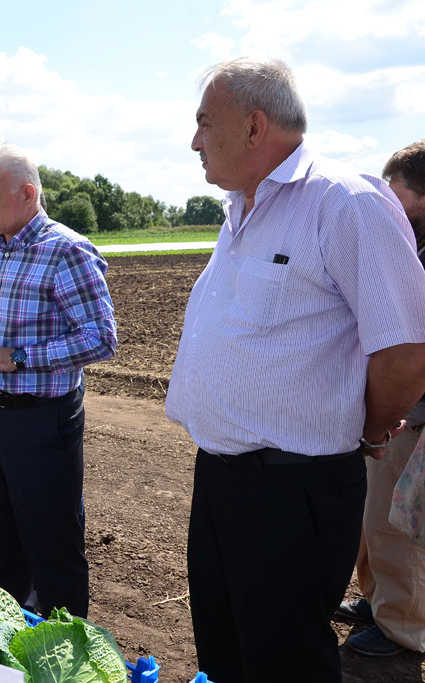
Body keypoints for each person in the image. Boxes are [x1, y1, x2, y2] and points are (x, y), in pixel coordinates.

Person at [166, 58, 425, 682]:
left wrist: (356, 431)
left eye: (205, 122)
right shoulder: (242, 210)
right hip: (223, 478)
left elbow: (407, 352)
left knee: (284, 659)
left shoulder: (345, 203)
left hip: (294, 486)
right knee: (226, 649)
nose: (194, 140)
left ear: (255, 128)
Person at [0, 145, 117, 619]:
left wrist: (13, 358)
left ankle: (65, 646)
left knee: (53, 545)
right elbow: (6, 331)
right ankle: (12, 640)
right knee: (5, 539)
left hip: (44, 420)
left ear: (28, 193)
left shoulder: (67, 250)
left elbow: (101, 339)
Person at [339, 139, 425, 656]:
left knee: (398, 526)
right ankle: (378, 600)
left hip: (414, 418)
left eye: (401, 196)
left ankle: (405, 628)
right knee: (373, 520)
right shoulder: (411, 248)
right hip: (396, 414)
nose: (392, 207)